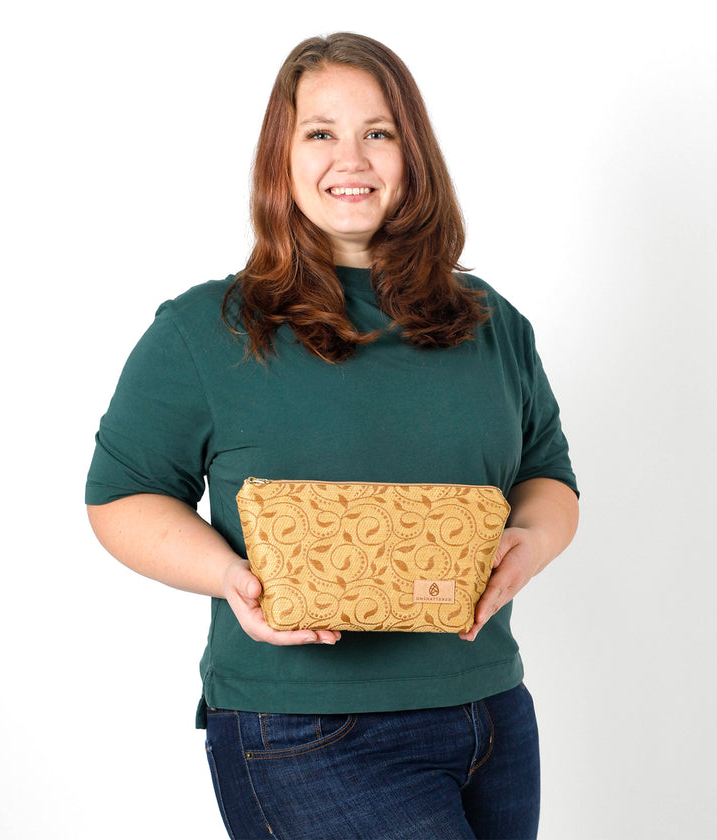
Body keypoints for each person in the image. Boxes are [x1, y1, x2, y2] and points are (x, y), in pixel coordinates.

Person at [86, 32, 579, 840]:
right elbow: (120, 495)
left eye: (377, 133)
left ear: (411, 155)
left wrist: (531, 540)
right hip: (307, 731)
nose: (351, 157)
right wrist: (230, 579)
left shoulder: (488, 323)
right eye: (320, 132)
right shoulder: (205, 330)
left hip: (491, 714)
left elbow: (547, 475)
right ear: (281, 157)